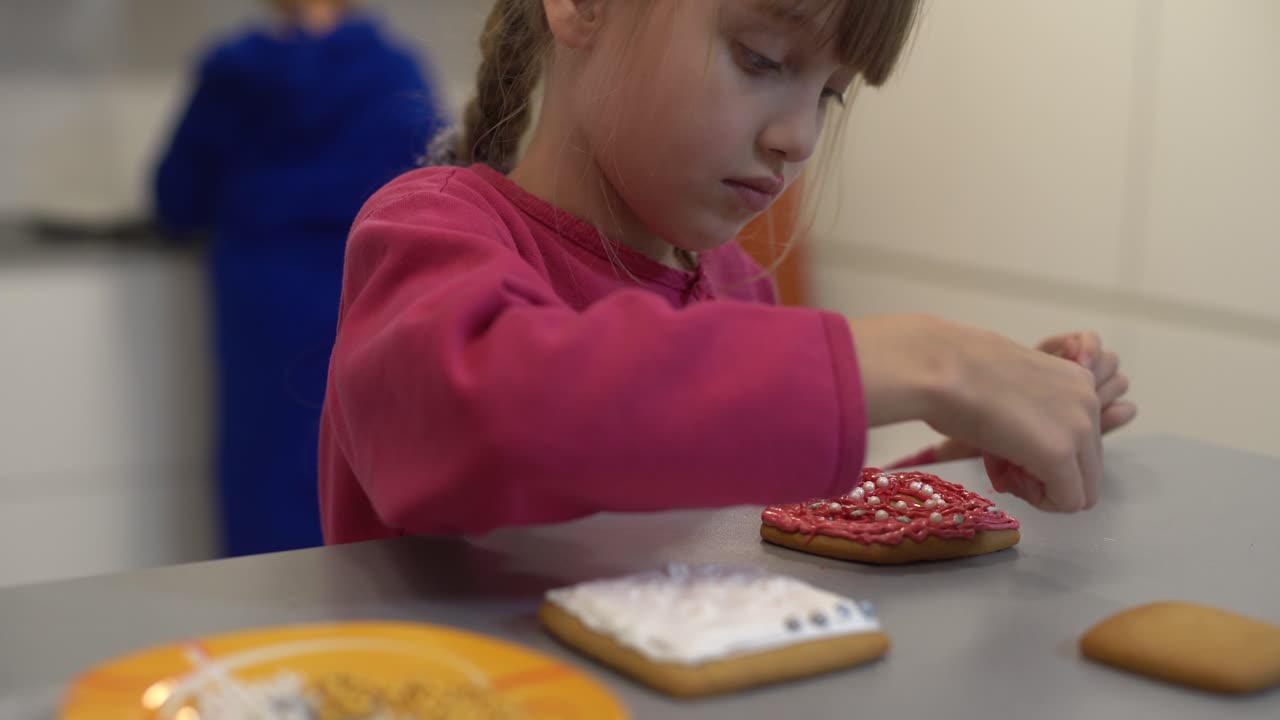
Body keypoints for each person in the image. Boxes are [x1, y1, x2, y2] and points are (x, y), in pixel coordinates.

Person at [318, 0, 1137, 544]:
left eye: (831, 95)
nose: (799, 139)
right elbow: (487, 422)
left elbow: (751, 534)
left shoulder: (741, 287)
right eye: (761, 58)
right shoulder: (429, 227)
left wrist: (956, 461)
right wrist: (931, 360)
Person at [154, 0, 445, 555]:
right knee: (355, 458)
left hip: (260, 302)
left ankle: (264, 620)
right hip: (363, 292)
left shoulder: (233, 74)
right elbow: (429, 183)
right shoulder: (391, 70)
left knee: (263, 468)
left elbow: (176, 199)